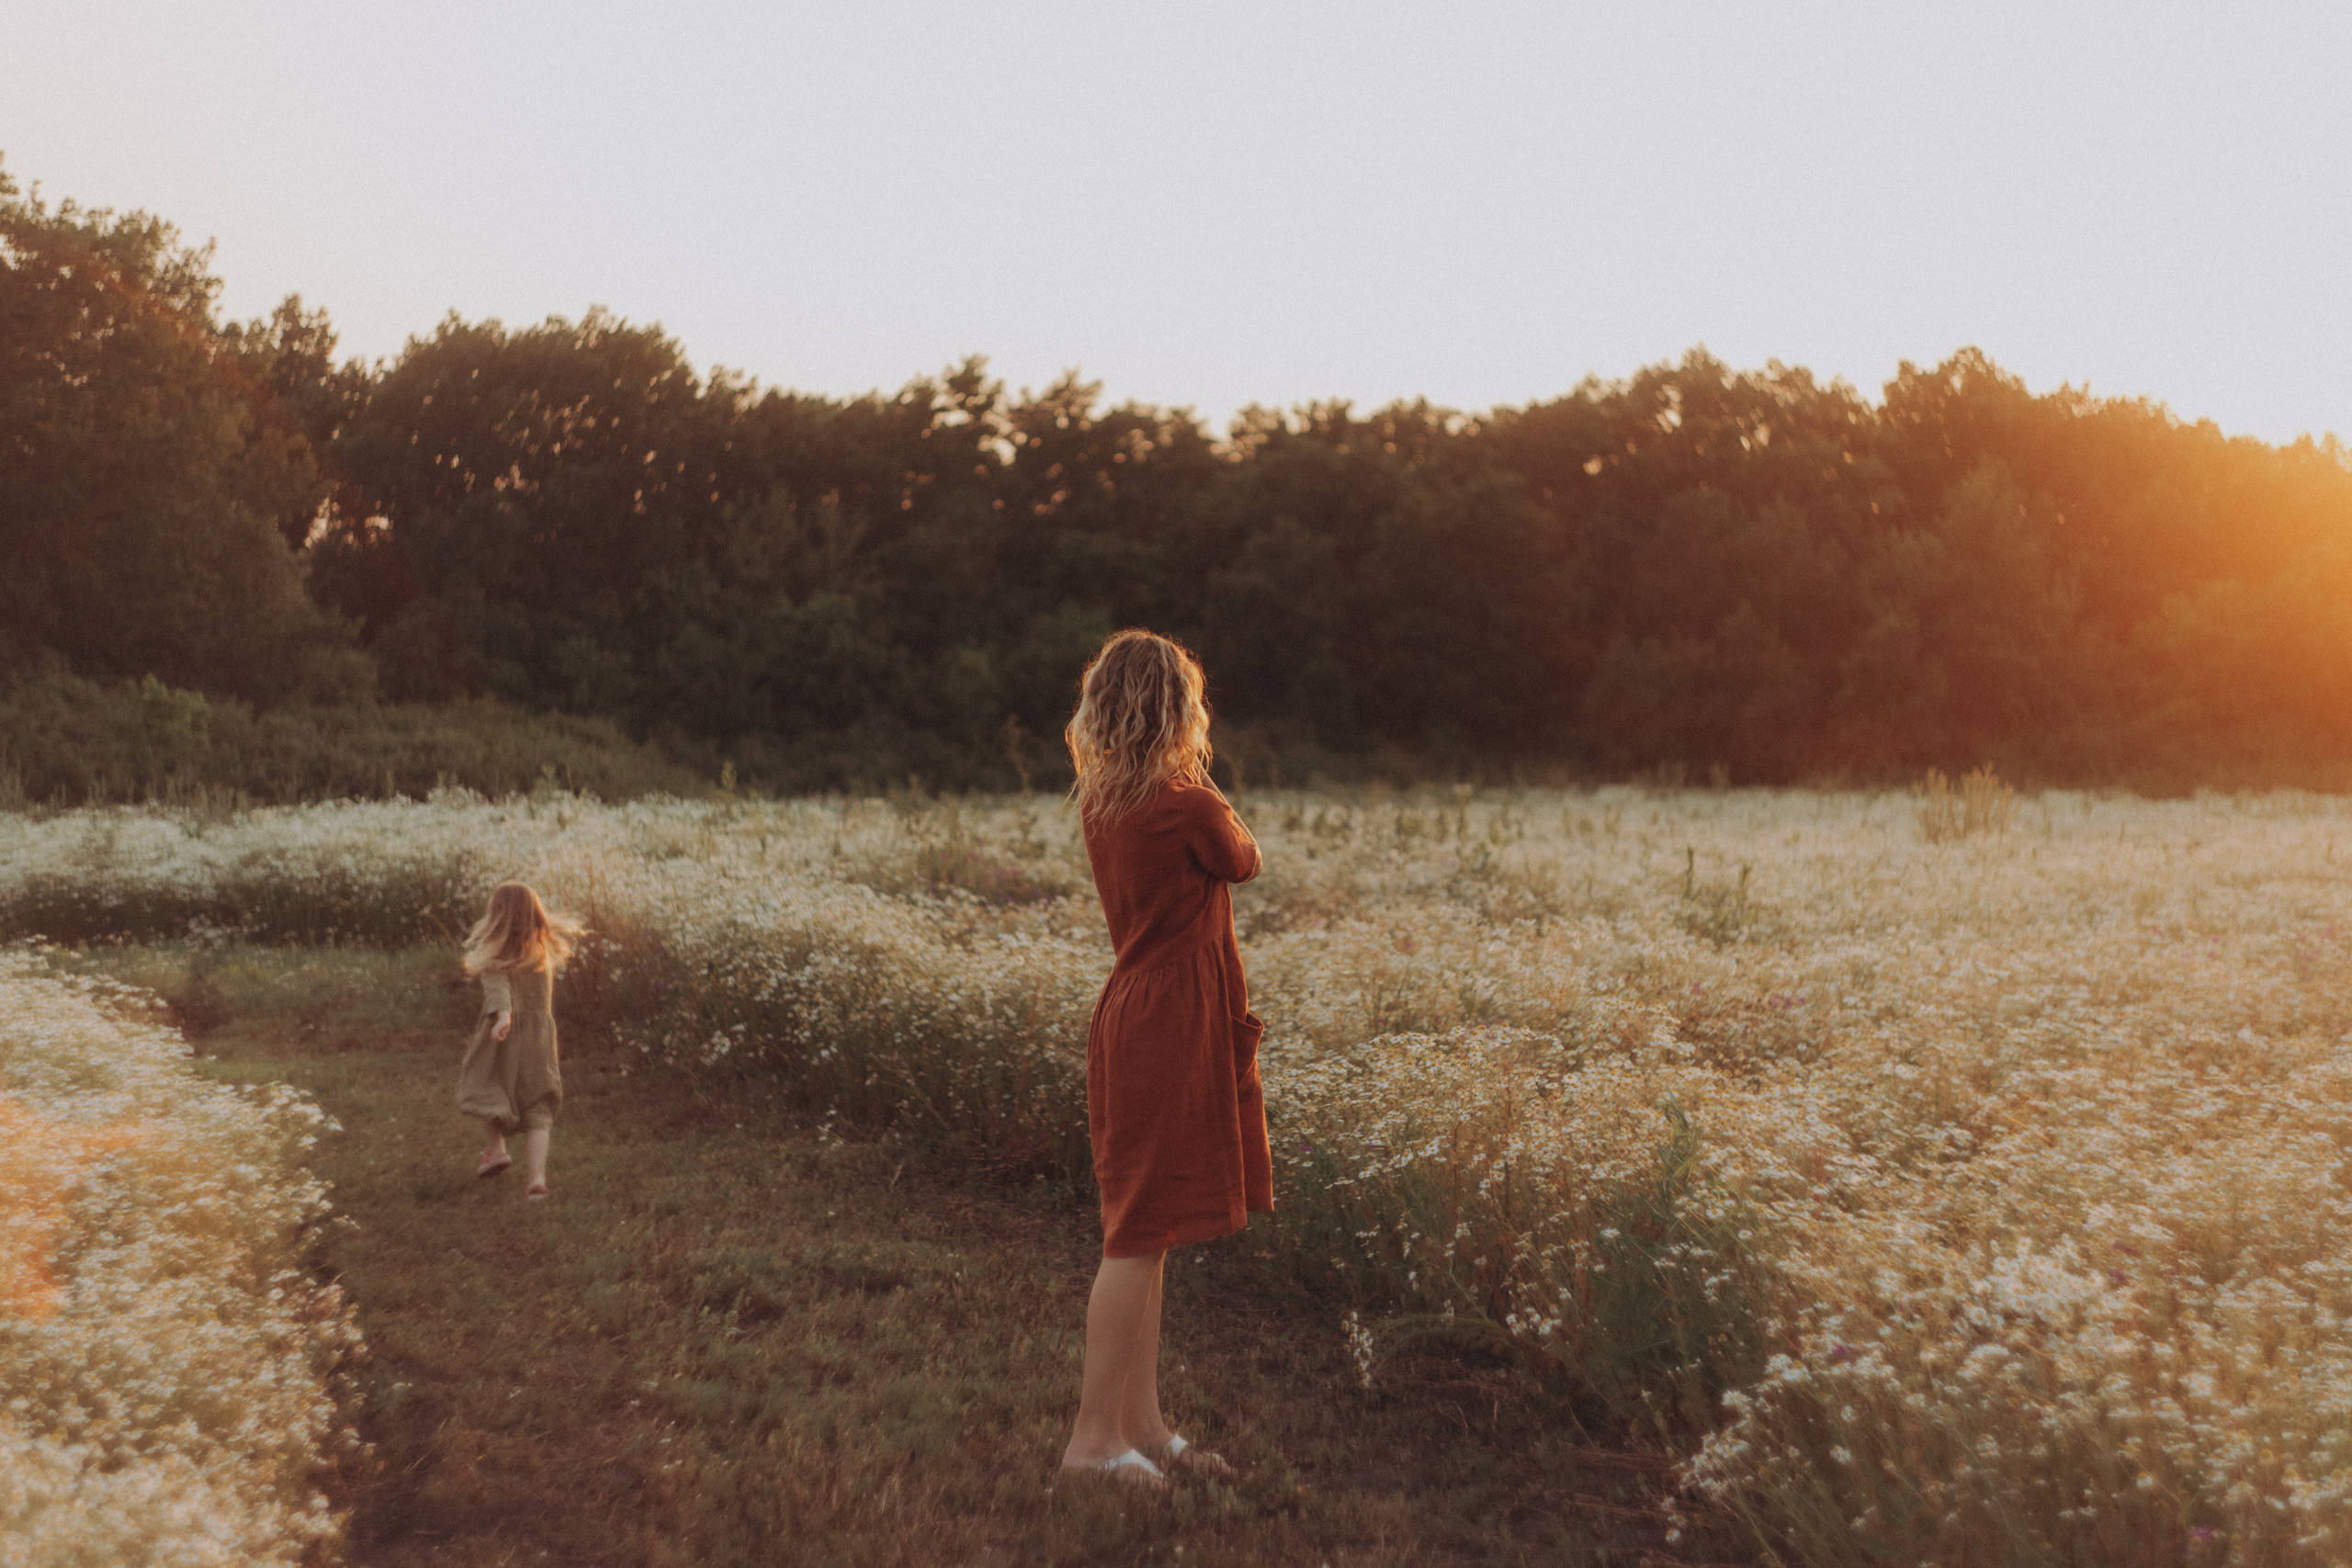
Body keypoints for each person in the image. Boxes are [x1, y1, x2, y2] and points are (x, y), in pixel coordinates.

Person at [1058, 629, 1272, 1490]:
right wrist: (1199, 770)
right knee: (1137, 1233)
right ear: (1179, 710)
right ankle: (1089, 1445)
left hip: (1133, 1014)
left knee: (1152, 1232)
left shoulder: (1102, 798)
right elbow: (1245, 858)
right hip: (1168, 1024)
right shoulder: (1187, 803)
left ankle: (1142, 1425)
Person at [456, 881, 583, 1201]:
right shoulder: (541, 953)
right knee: (538, 1107)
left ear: (496, 916)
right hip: (540, 1041)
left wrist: (503, 1017)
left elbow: (499, 989)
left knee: (485, 1085)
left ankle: (497, 1149)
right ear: (535, 915)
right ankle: (537, 1178)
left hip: (503, 1036)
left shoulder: (494, 956)